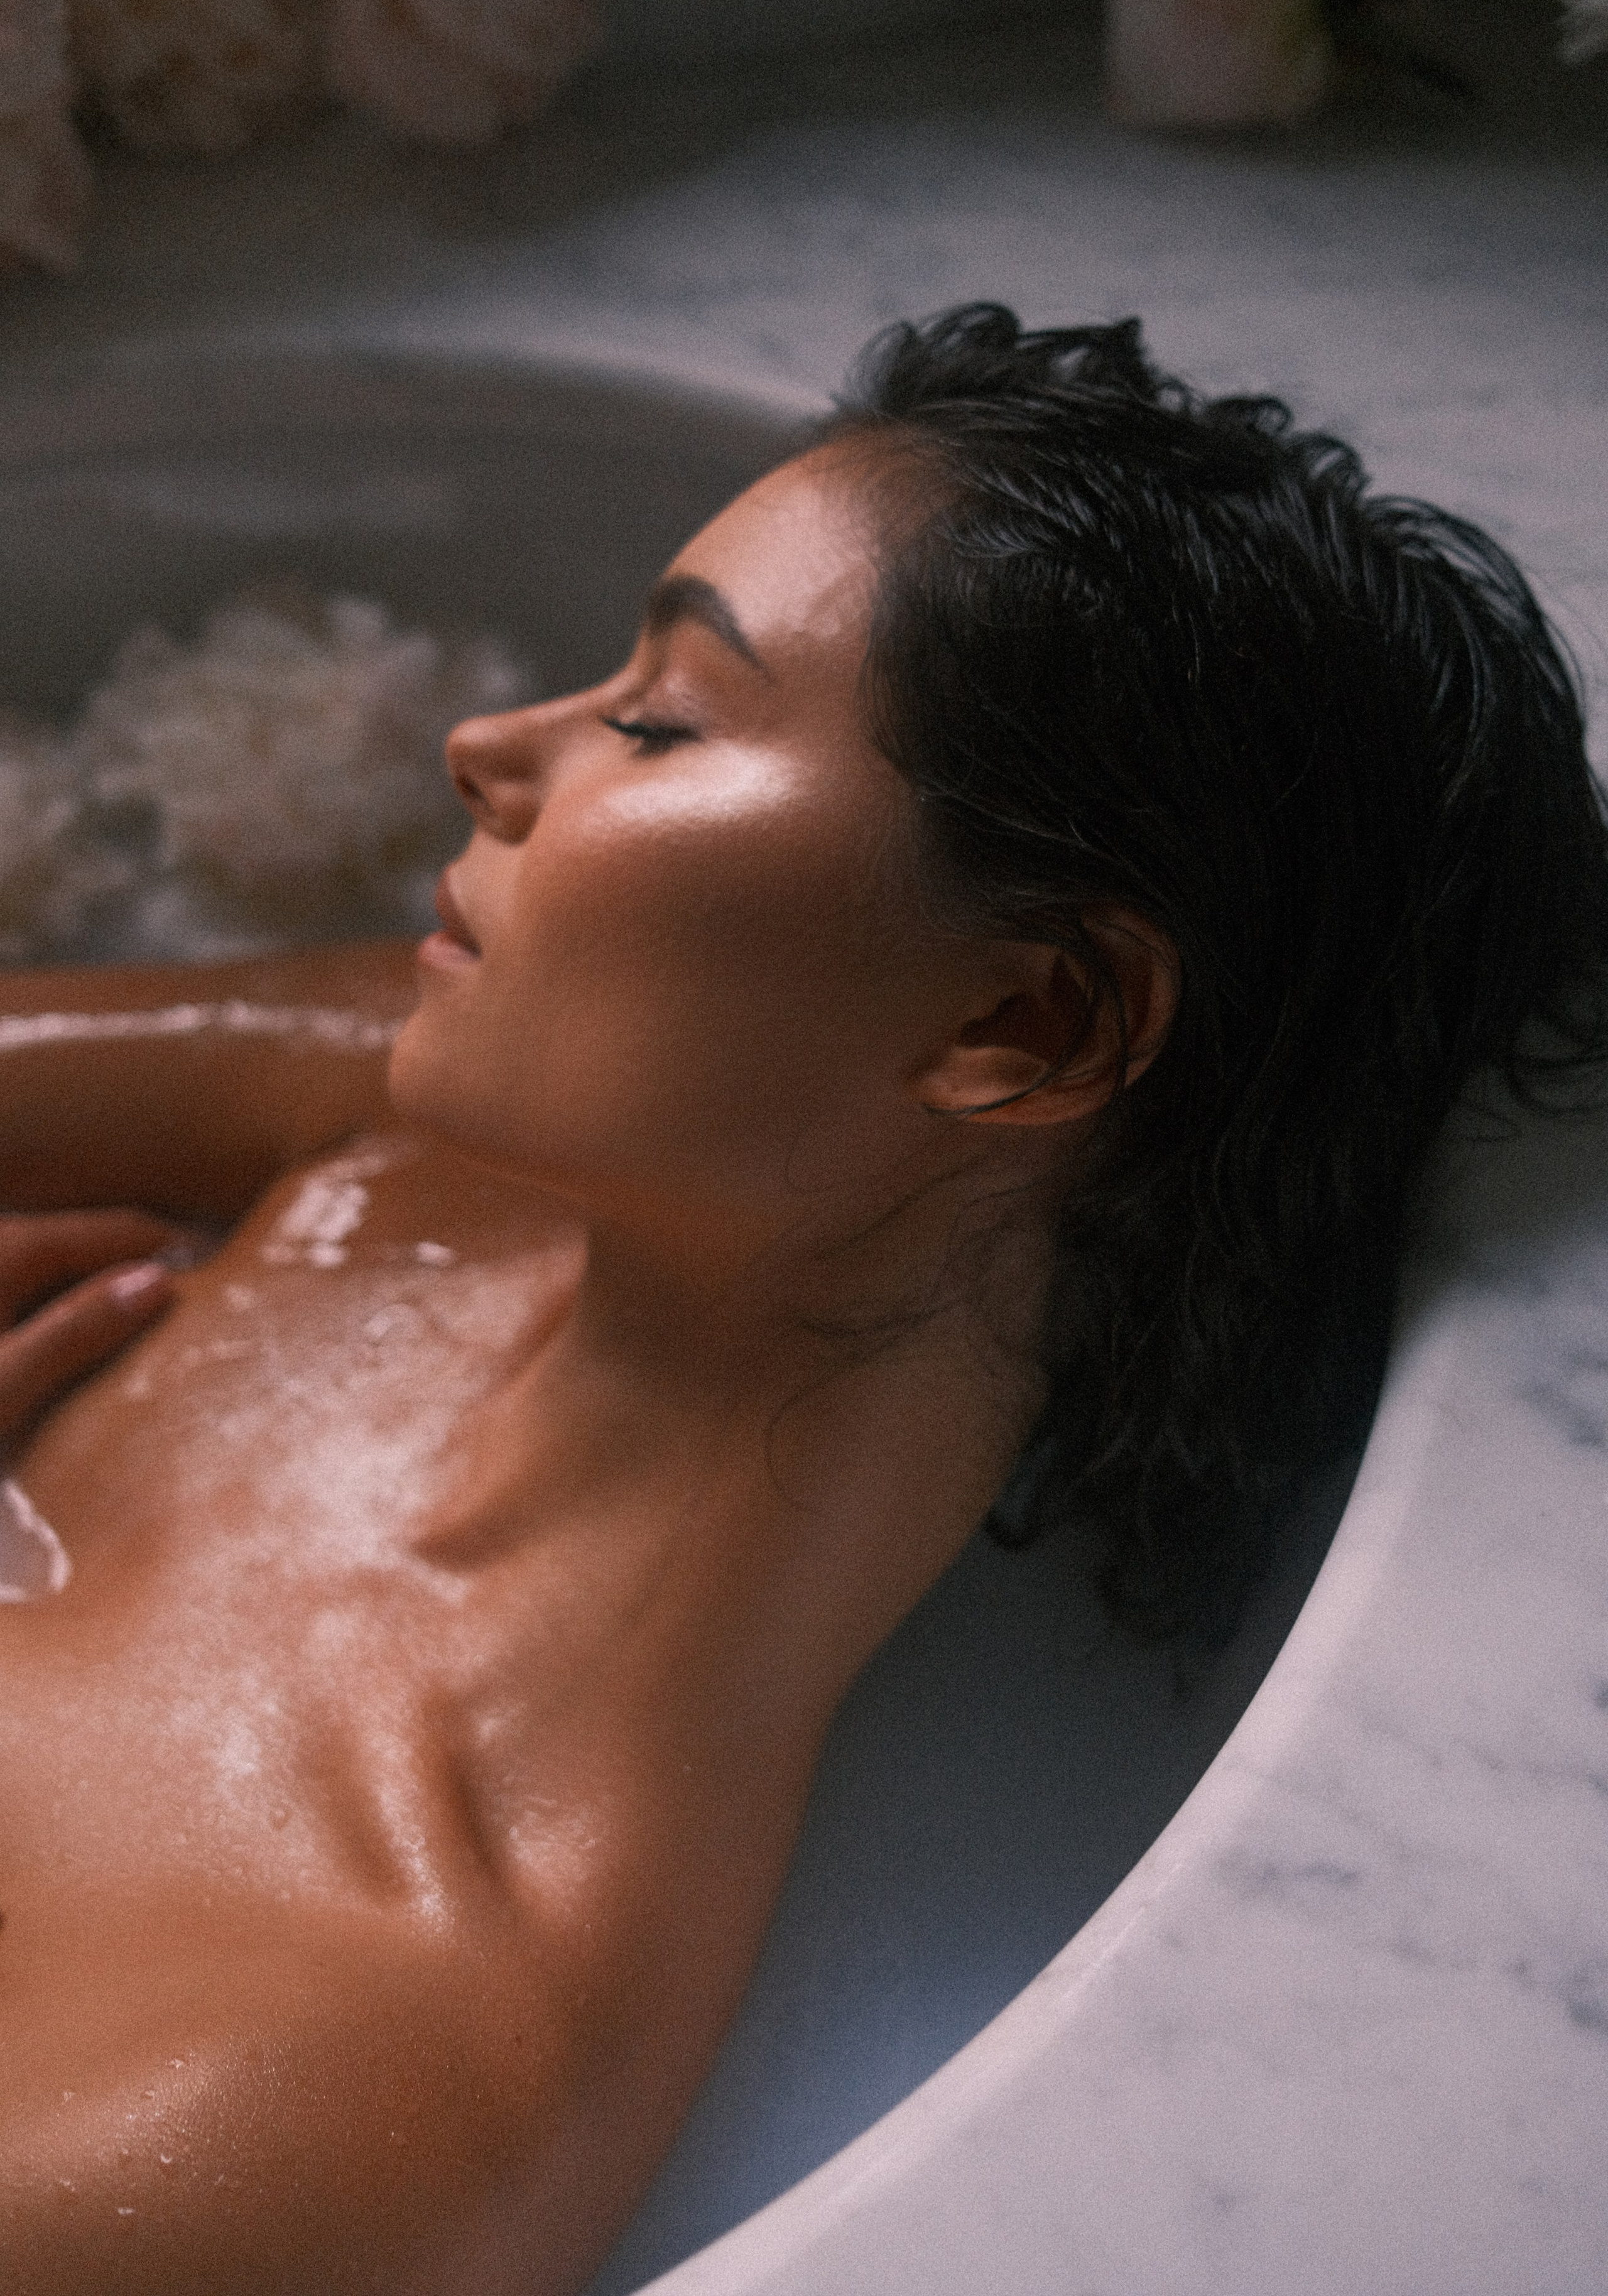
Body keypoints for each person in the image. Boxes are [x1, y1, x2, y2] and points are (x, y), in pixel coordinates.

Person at [2, 306, 1604, 2295]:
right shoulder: (487, 1143)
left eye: (659, 723)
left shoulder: (319, 2087)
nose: (490, 750)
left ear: (1026, 1023)